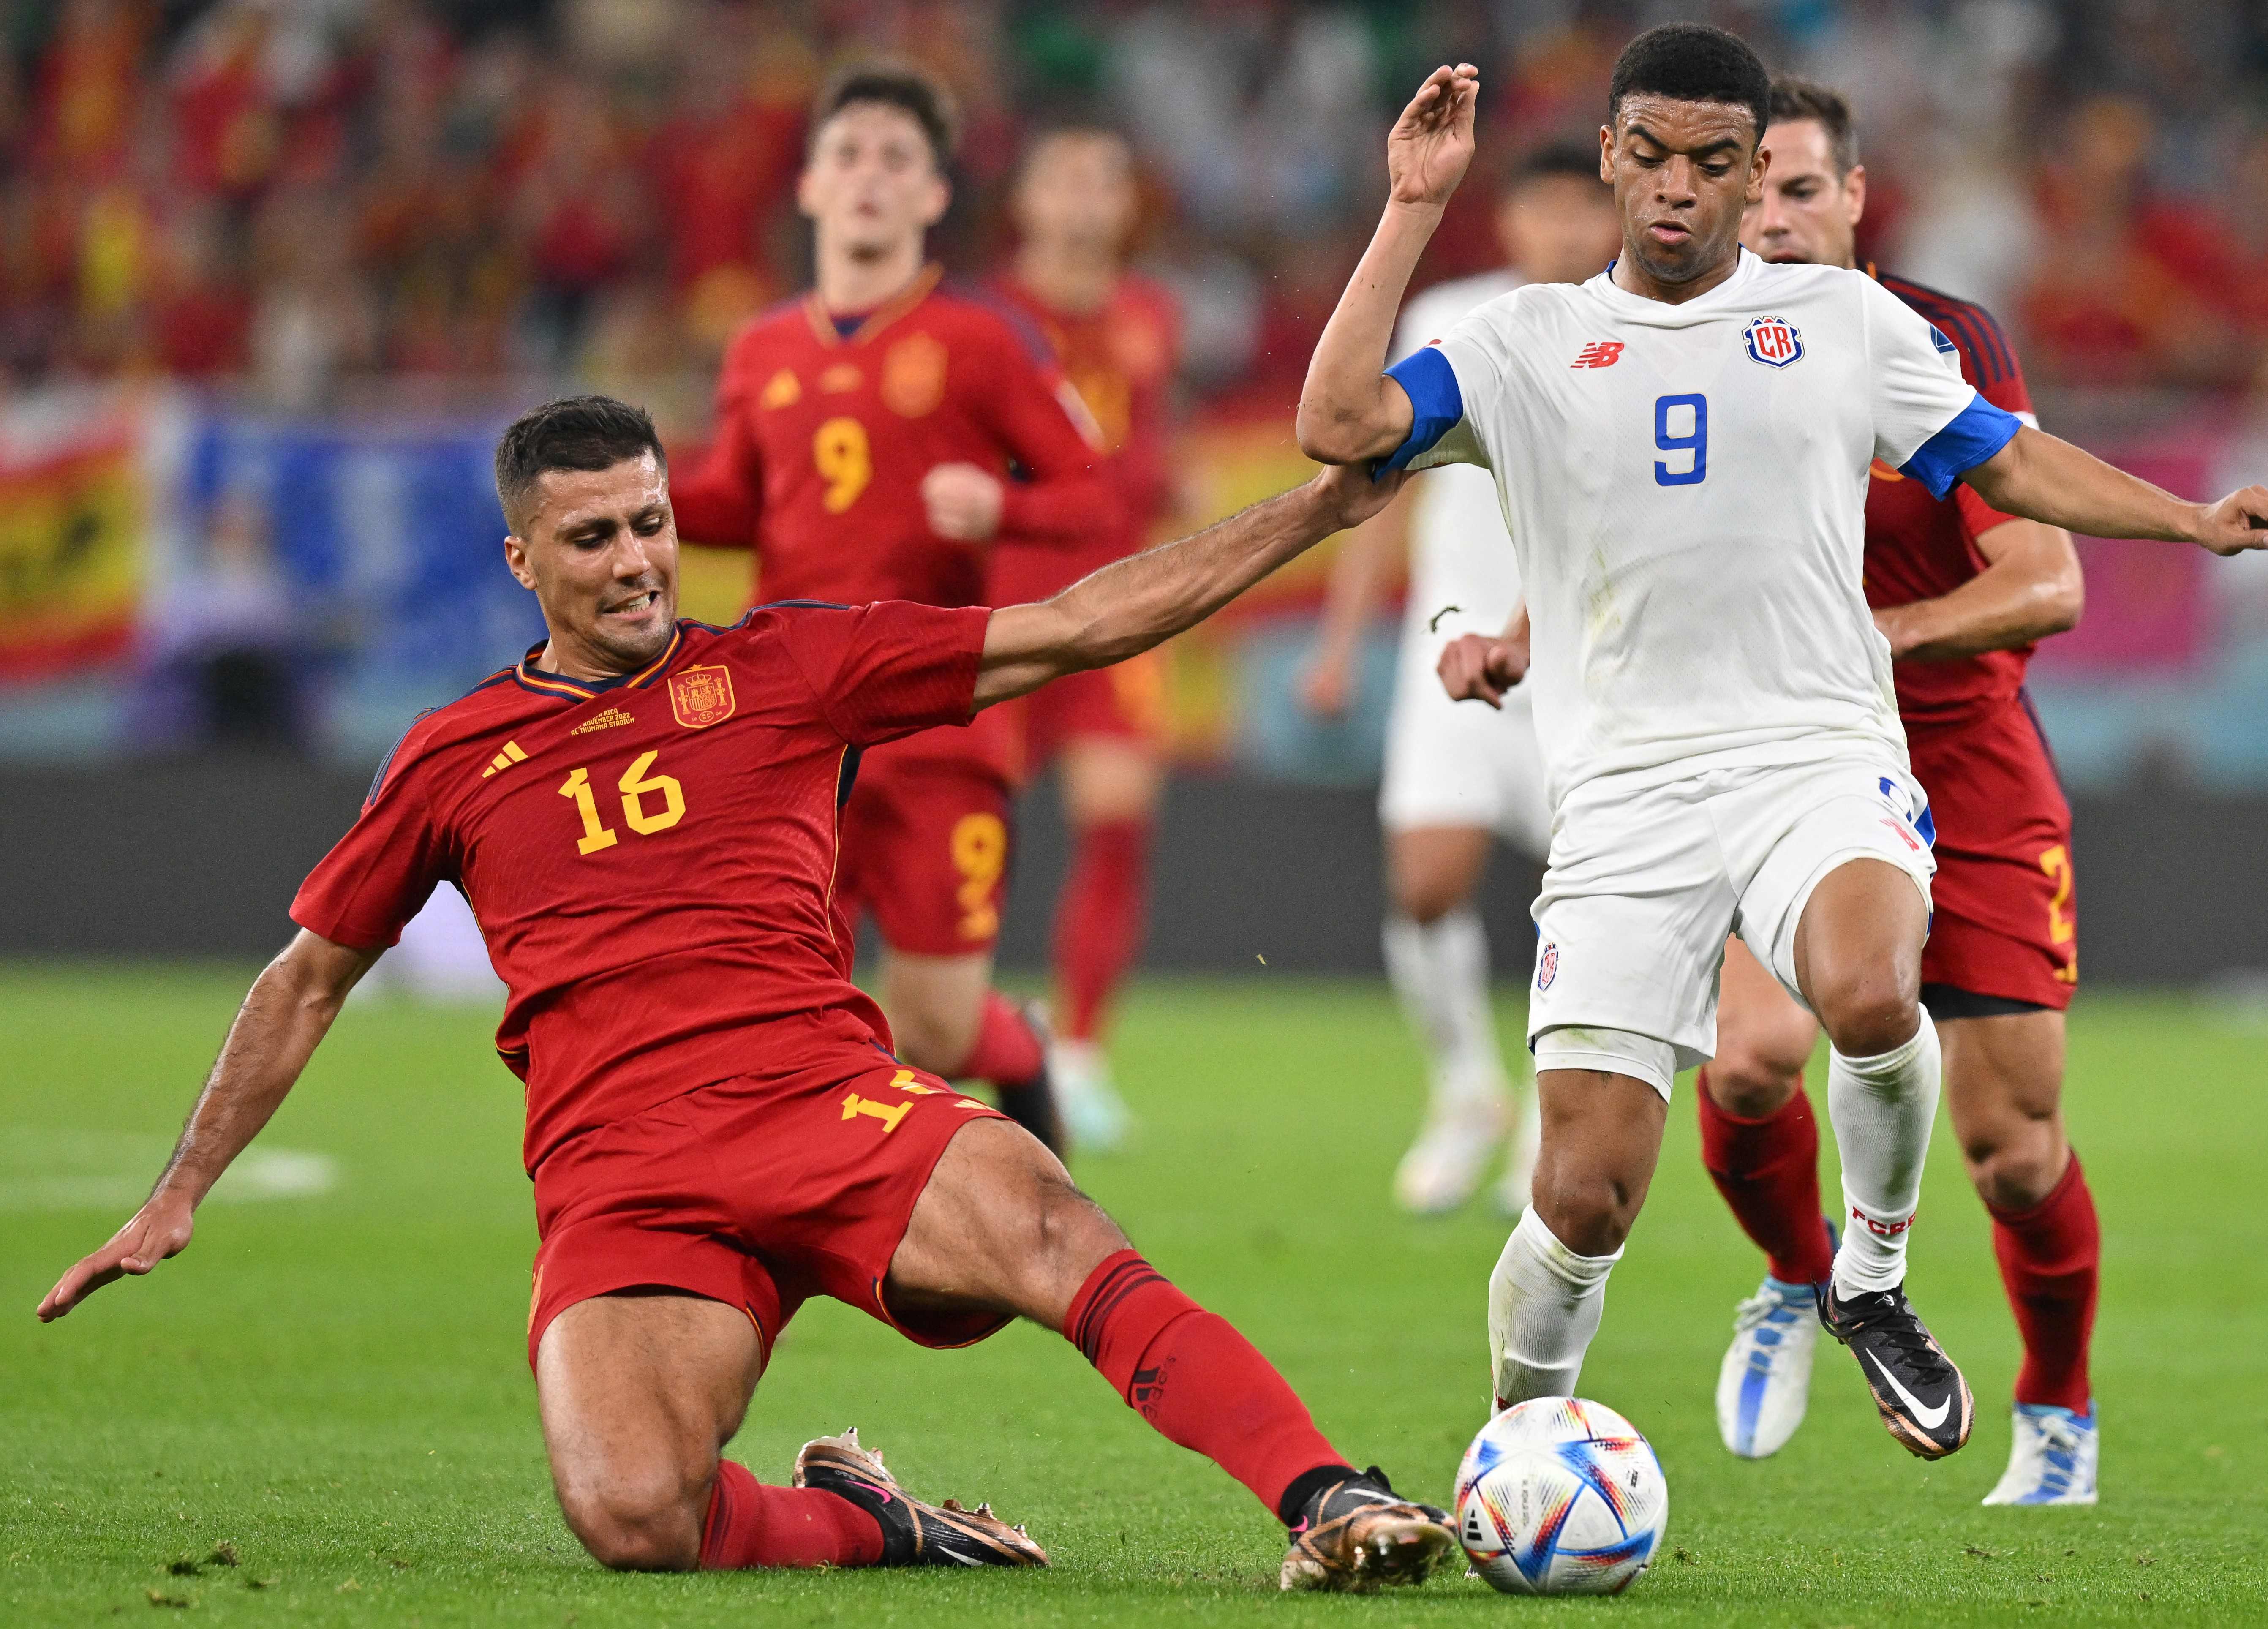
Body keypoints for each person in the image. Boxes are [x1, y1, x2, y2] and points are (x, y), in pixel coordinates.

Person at [37, 395, 1457, 1594]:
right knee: (634, 1513)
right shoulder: (451, 756)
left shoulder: (787, 664)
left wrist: (1315, 511)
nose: (638, 560)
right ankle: (873, 1517)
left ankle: (1323, 1494)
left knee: (1046, 1217)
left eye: (650, 521)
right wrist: (180, 1187)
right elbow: (307, 977)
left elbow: (1077, 624)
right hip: (623, 1171)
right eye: (593, 538)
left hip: (819, 1101)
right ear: (522, 556)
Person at [1297, 26, 2268, 1462]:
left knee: (1868, 984)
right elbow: (1336, 422)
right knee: (1580, 1196)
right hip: (1626, 798)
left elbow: (2005, 457)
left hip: (1817, 750)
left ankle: (1870, 1282)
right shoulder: (1522, 344)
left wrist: (2191, 519)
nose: (1681, 192)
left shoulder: (1845, 326)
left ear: (1753, 169)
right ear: (1608, 158)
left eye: (1719, 164)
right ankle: (1517, 1449)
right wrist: (1410, 204)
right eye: (1650, 157)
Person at [1702, 77, 2102, 1504]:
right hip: (1784, 758)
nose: (1768, 219)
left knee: (2010, 1150)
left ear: (1856, 200)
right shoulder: (1683, 340)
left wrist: (1867, 636)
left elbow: (2042, 579)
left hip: (1963, 755)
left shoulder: (1937, 344)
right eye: (1745, 194)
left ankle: (2056, 1404)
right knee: (1748, 1057)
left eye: (1796, 191)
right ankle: (1803, 1279)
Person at [669, 66, 1117, 1154]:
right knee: (788, 994)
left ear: (932, 197)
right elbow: (738, 499)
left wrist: (999, 506)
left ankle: (1022, 1046)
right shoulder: (762, 347)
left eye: (896, 159)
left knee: (936, 1022)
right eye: (850, 155)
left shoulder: (982, 340)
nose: (870, 176)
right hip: (793, 726)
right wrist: (633, 493)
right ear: (813, 187)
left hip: (935, 724)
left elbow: (1095, 493)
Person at [1297, 141, 1617, 1215]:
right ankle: (1466, 1089)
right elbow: (1375, 487)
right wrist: (1343, 646)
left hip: (1590, 665)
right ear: (1514, 220)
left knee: (1586, 899)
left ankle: (1546, 1107)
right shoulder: (1455, 318)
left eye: (1589, 208)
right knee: (1425, 882)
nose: (1568, 229)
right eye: (1547, 207)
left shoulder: (1644, 327)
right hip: (1455, 650)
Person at [988, 124, 1185, 1151]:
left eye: (1103, 179)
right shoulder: (980, 319)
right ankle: (954, 1023)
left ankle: (1083, 1053)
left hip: (1115, 606)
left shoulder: (1151, 315)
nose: (1083, 198)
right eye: (1062, 174)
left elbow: (1150, 454)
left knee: (1117, 821)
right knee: (971, 828)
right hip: (999, 605)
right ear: (1024, 200)